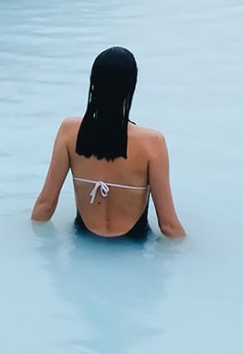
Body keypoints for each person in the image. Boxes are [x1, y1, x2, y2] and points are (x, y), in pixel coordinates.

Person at [31, 47, 186, 240]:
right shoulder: (152, 144)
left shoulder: (69, 132)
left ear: (93, 83)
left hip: (84, 241)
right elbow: (169, 226)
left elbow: (44, 208)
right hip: (132, 248)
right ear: (131, 86)